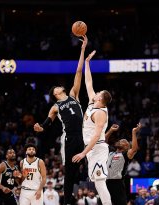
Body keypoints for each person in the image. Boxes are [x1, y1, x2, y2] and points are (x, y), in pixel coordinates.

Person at [33, 35, 88, 205]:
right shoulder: (55, 106)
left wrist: (83, 49)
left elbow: (79, 72)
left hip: (86, 135)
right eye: (56, 87)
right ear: (55, 93)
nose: (59, 85)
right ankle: (66, 202)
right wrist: (41, 128)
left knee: (93, 167)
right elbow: (48, 122)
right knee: (69, 173)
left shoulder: (73, 95)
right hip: (70, 138)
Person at [72, 50, 112, 205]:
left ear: (101, 98)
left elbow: (96, 136)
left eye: (99, 93)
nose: (96, 92)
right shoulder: (92, 103)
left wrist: (83, 153)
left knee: (100, 183)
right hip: (92, 149)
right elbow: (88, 83)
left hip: (97, 148)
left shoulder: (101, 113)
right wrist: (87, 64)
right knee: (97, 182)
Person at [104, 123, 141, 205]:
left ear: (126, 147)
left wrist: (134, 132)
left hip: (117, 184)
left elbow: (134, 149)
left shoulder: (125, 155)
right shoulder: (111, 152)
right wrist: (110, 130)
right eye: (120, 140)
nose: (120, 141)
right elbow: (103, 141)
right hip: (106, 182)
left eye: (124, 141)